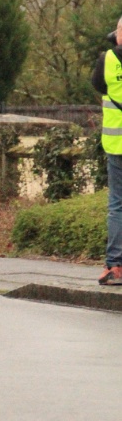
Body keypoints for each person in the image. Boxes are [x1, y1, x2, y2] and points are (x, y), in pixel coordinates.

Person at [92, 19, 122, 284]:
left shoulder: (107, 59)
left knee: (117, 205)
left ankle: (115, 265)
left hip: (117, 146)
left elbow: (99, 86)